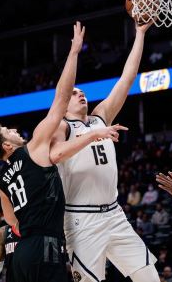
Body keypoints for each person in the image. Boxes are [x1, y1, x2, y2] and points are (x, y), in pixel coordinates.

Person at [0, 22, 91, 282]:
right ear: (6, 145)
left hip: (21, 253)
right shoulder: (33, 149)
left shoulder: (1, 179)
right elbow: (61, 100)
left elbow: (10, 220)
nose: (14, 130)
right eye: (8, 131)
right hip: (46, 245)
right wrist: (73, 53)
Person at [50, 21, 159, 282]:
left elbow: (127, 78)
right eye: (74, 93)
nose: (80, 94)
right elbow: (56, 155)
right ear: (64, 105)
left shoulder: (101, 117)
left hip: (114, 213)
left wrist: (140, 34)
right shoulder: (62, 127)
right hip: (81, 220)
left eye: (82, 92)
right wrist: (74, 52)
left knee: (150, 277)